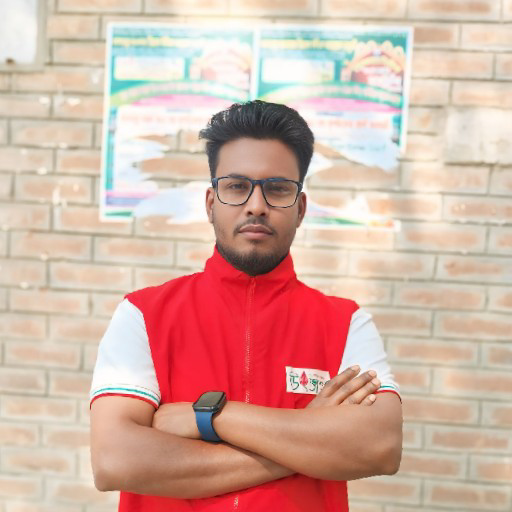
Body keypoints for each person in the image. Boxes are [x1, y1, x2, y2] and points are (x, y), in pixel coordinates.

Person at [90, 100, 402, 512]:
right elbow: (115, 460)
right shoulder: (143, 315)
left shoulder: (346, 323)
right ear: (211, 203)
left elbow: (380, 447)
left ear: (300, 208)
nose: (256, 205)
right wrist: (309, 440)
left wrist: (209, 417)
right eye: (237, 187)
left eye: (278, 188)